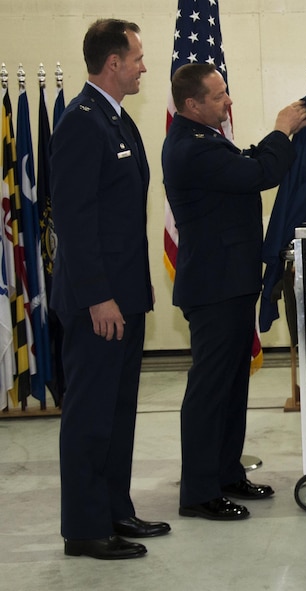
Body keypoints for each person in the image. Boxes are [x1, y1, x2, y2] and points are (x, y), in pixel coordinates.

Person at [162, 63, 306, 521]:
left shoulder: (205, 140)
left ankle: (226, 474)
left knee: (229, 386)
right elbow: (257, 174)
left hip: (228, 282)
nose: (228, 101)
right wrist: (282, 131)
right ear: (192, 104)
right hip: (214, 287)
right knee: (210, 389)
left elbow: (245, 162)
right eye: (219, 95)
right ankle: (199, 493)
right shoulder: (190, 148)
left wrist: (278, 140)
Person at [50, 19, 169, 560]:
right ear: (113, 63)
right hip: (97, 302)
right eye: (138, 56)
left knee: (118, 413)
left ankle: (115, 511)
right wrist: (99, 295)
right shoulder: (81, 123)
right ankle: (84, 528)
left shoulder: (116, 121)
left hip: (124, 298)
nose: (145, 65)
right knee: (90, 416)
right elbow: (74, 221)